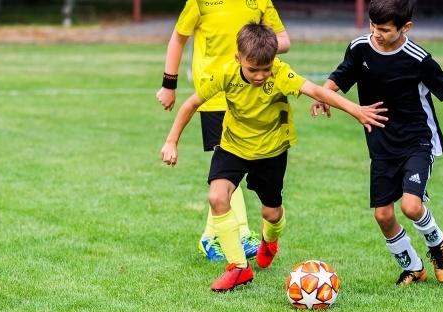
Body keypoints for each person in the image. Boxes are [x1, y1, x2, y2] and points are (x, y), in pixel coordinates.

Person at [161, 21, 387, 291]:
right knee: (217, 197)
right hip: (233, 146)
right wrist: (171, 141)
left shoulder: (280, 74)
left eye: (265, 69)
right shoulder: (226, 74)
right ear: (238, 58)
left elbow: (315, 90)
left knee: (271, 212)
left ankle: (270, 240)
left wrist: (356, 110)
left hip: (271, 151)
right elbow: (192, 103)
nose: (260, 76)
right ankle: (238, 268)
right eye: (253, 69)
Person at [311, 0, 443, 286]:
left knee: (411, 206)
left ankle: (437, 243)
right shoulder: (360, 47)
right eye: (373, 25)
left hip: (417, 140)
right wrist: (324, 95)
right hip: (381, 144)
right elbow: (340, 75)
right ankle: (413, 267)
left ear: (406, 27)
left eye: (385, 29)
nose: (376, 33)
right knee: (383, 216)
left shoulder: (417, 58)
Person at [156, 0, 291, 261]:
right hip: (215, 98)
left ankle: (211, 235)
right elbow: (178, 39)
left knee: (229, 172)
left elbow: (284, 41)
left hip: (250, 98)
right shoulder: (200, 1)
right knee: (226, 165)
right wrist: (169, 83)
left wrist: (253, 48)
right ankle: (242, 234)